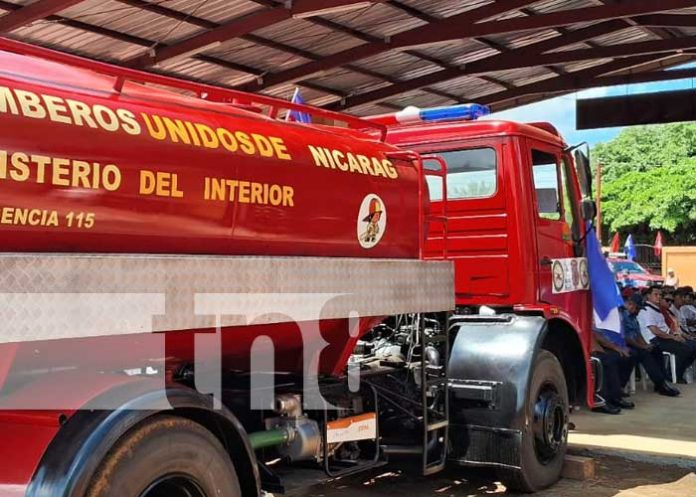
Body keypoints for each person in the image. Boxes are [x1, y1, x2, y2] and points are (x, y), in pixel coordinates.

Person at [621, 294, 680, 397]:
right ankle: (660, 384)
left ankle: (661, 382)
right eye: (637, 308)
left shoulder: (633, 317)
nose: (638, 311)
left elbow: (638, 334)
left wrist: (645, 345)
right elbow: (626, 337)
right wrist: (642, 347)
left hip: (633, 344)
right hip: (624, 344)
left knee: (655, 349)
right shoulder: (623, 316)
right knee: (641, 353)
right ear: (630, 304)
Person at [637, 286, 696, 384]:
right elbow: (655, 330)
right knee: (685, 348)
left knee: (692, 346)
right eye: (655, 294)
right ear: (648, 296)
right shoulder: (646, 310)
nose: (658, 297)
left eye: (660, 295)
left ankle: (675, 373)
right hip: (654, 340)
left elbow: (666, 329)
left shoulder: (657, 310)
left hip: (664, 337)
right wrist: (673, 337)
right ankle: (674, 375)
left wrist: (677, 336)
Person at [591, 329, 636, 414]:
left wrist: (616, 348)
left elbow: (598, 336)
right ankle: (600, 401)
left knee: (617, 356)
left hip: (596, 347)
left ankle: (615, 396)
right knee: (605, 361)